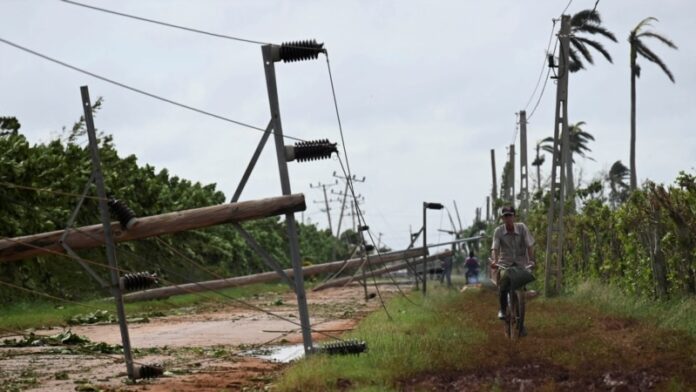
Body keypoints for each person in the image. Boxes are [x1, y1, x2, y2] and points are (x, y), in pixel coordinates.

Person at [491, 206, 535, 334]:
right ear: (502, 218)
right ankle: (503, 309)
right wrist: (495, 261)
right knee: (504, 286)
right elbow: (495, 248)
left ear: (514, 216)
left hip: (521, 264)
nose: (508, 218)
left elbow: (529, 245)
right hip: (505, 264)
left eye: (510, 215)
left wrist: (531, 260)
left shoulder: (522, 228)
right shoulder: (498, 231)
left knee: (522, 288)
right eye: (505, 216)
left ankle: (521, 321)